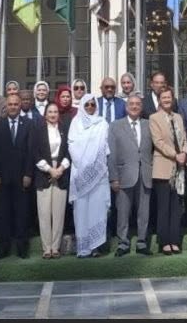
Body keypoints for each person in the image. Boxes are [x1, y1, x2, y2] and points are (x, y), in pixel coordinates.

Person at [0, 93, 34, 259]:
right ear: (6, 106)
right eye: (10, 104)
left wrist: (28, 174)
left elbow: (31, 151)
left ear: (20, 105)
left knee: (22, 214)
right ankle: (3, 248)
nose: (13, 107)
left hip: (22, 177)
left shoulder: (28, 124)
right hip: (2, 178)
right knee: (3, 214)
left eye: (16, 104)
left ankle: (22, 248)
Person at [108, 94, 153, 256]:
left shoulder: (149, 124)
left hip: (145, 173)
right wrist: (113, 177)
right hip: (123, 175)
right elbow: (111, 154)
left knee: (144, 212)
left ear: (141, 107)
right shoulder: (115, 126)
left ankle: (142, 242)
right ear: (126, 107)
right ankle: (123, 243)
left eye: (137, 104)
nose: (134, 106)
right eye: (131, 104)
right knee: (123, 212)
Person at [68, 94, 111, 257]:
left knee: (97, 210)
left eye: (93, 104)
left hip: (98, 173)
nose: (90, 107)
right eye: (87, 104)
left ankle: (96, 247)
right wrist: (84, 165)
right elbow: (72, 145)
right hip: (80, 173)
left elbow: (105, 147)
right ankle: (83, 248)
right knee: (81, 211)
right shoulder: (75, 123)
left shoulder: (102, 123)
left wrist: (94, 166)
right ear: (82, 106)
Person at [149, 87, 187, 255]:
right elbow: (158, 142)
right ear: (159, 100)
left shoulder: (178, 117)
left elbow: (184, 138)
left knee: (176, 207)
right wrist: (175, 155)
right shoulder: (154, 118)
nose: (166, 100)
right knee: (164, 207)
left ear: (173, 99)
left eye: (169, 97)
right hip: (163, 167)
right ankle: (164, 242)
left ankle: (175, 240)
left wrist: (184, 153)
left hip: (179, 168)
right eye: (163, 97)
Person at [31, 103, 70, 259]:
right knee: (44, 212)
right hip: (44, 173)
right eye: (50, 112)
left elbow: (69, 151)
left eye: (55, 112)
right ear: (45, 114)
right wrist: (49, 169)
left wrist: (60, 169)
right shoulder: (38, 130)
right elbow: (35, 153)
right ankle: (46, 248)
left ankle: (56, 247)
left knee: (59, 213)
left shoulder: (64, 129)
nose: (53, 114)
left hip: (61, 172)